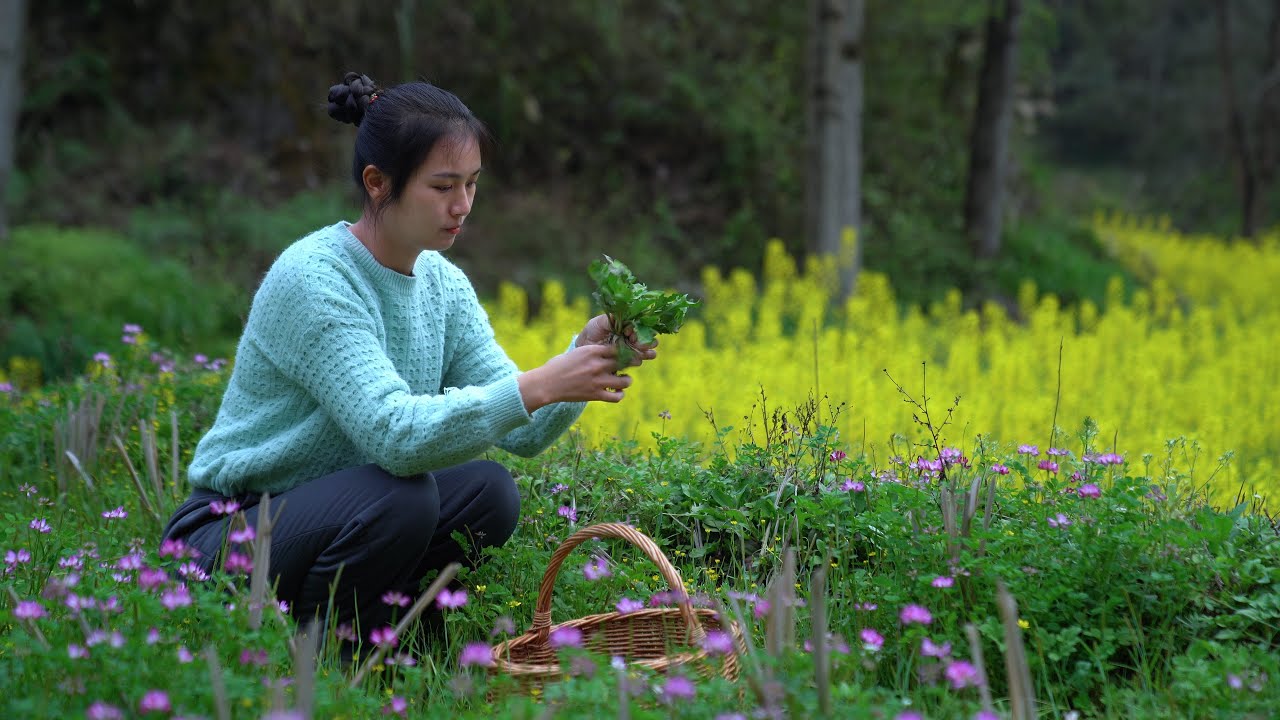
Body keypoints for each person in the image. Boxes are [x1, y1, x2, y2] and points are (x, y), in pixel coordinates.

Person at [160, 71, 656, 647]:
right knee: (405, 494)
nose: (463, 205)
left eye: (472, 184)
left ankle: (395, 642)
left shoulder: (442, 284)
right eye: (443, 186)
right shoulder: (315, 279)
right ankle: (315, 652)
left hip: (337, 517)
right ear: (377, 182)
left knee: (489, 491)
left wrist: (585, 355)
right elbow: (396, 437)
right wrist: (539, 384)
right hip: (229, 534)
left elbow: (523, 432)